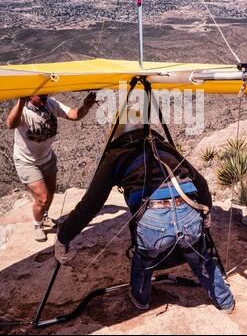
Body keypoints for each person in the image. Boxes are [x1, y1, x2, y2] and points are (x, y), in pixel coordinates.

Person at [55, 110, 235, 312]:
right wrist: (206, 212)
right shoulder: (164, 147)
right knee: (200, 254)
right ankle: (224, 301)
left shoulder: (116, 155)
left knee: (144, 258)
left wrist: (64, 236)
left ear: (117, 134)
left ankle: (141, 298)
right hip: (189, 214)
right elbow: (200, 183)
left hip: (154, 224)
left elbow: (91, 204)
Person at [6, 92, 96, 242]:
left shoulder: (50, 104)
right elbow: (10, 124)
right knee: (42, 198)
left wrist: (86, 106)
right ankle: (37, 225)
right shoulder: (23, 111)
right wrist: (21, 103)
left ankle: (45, 216)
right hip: (26, 161)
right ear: (29, 96)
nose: (44, 98)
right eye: (41, 96)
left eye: (46, 96)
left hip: (47, 157)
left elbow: (74, 115)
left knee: (51, 190)